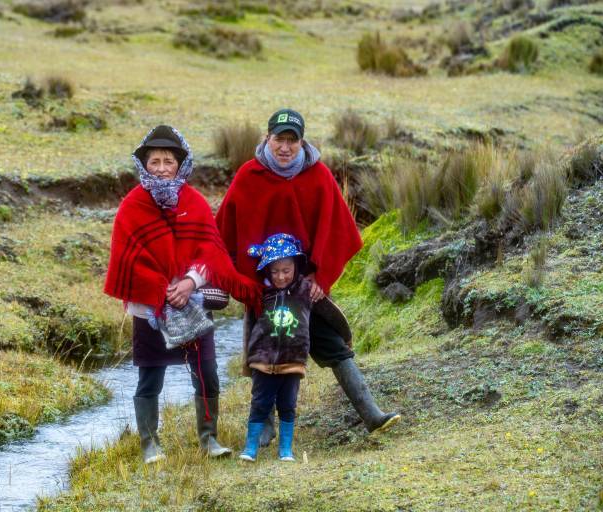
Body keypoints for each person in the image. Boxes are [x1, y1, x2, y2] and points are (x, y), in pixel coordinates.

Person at [216, 109, 400, 442]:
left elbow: (338, 231)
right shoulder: (248, 177)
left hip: (305, 286)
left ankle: (371, 413)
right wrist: (241, 283)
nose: (285, 147)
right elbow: (223, 233)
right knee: (264, 352)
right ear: (266, 138)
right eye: (278, 139)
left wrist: (320, 278)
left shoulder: (318, 176)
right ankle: (266, 427)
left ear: (302, 141)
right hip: (264, 288)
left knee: (332, 343)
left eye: (292, 140)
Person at [104, 125, 262, 464]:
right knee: (150, 378)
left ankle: (209, 439)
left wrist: (189, 282)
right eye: (155, 161)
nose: (161, 168)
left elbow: (211, 251)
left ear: (181, 164)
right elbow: (130, 259)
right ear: (143, 164)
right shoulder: (132, 206)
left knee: (207, 374)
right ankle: (150, 444)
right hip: (151, 309)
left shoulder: (194, 202)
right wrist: (162, 292)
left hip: (193, 305)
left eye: (168, 161)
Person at [240, 233, 312, 462]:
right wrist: (248, 358)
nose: (280, 277)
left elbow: (331, 314)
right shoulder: (260, 293)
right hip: (263, 360)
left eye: (286, 271)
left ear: (296, 268)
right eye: (274, 271)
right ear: (267, 271)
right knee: (259, 403)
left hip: (293, 360)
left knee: (288, 405)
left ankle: (286, 450)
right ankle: (250, 448)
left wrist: (346, 338)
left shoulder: (306, 291)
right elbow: (249, 324)